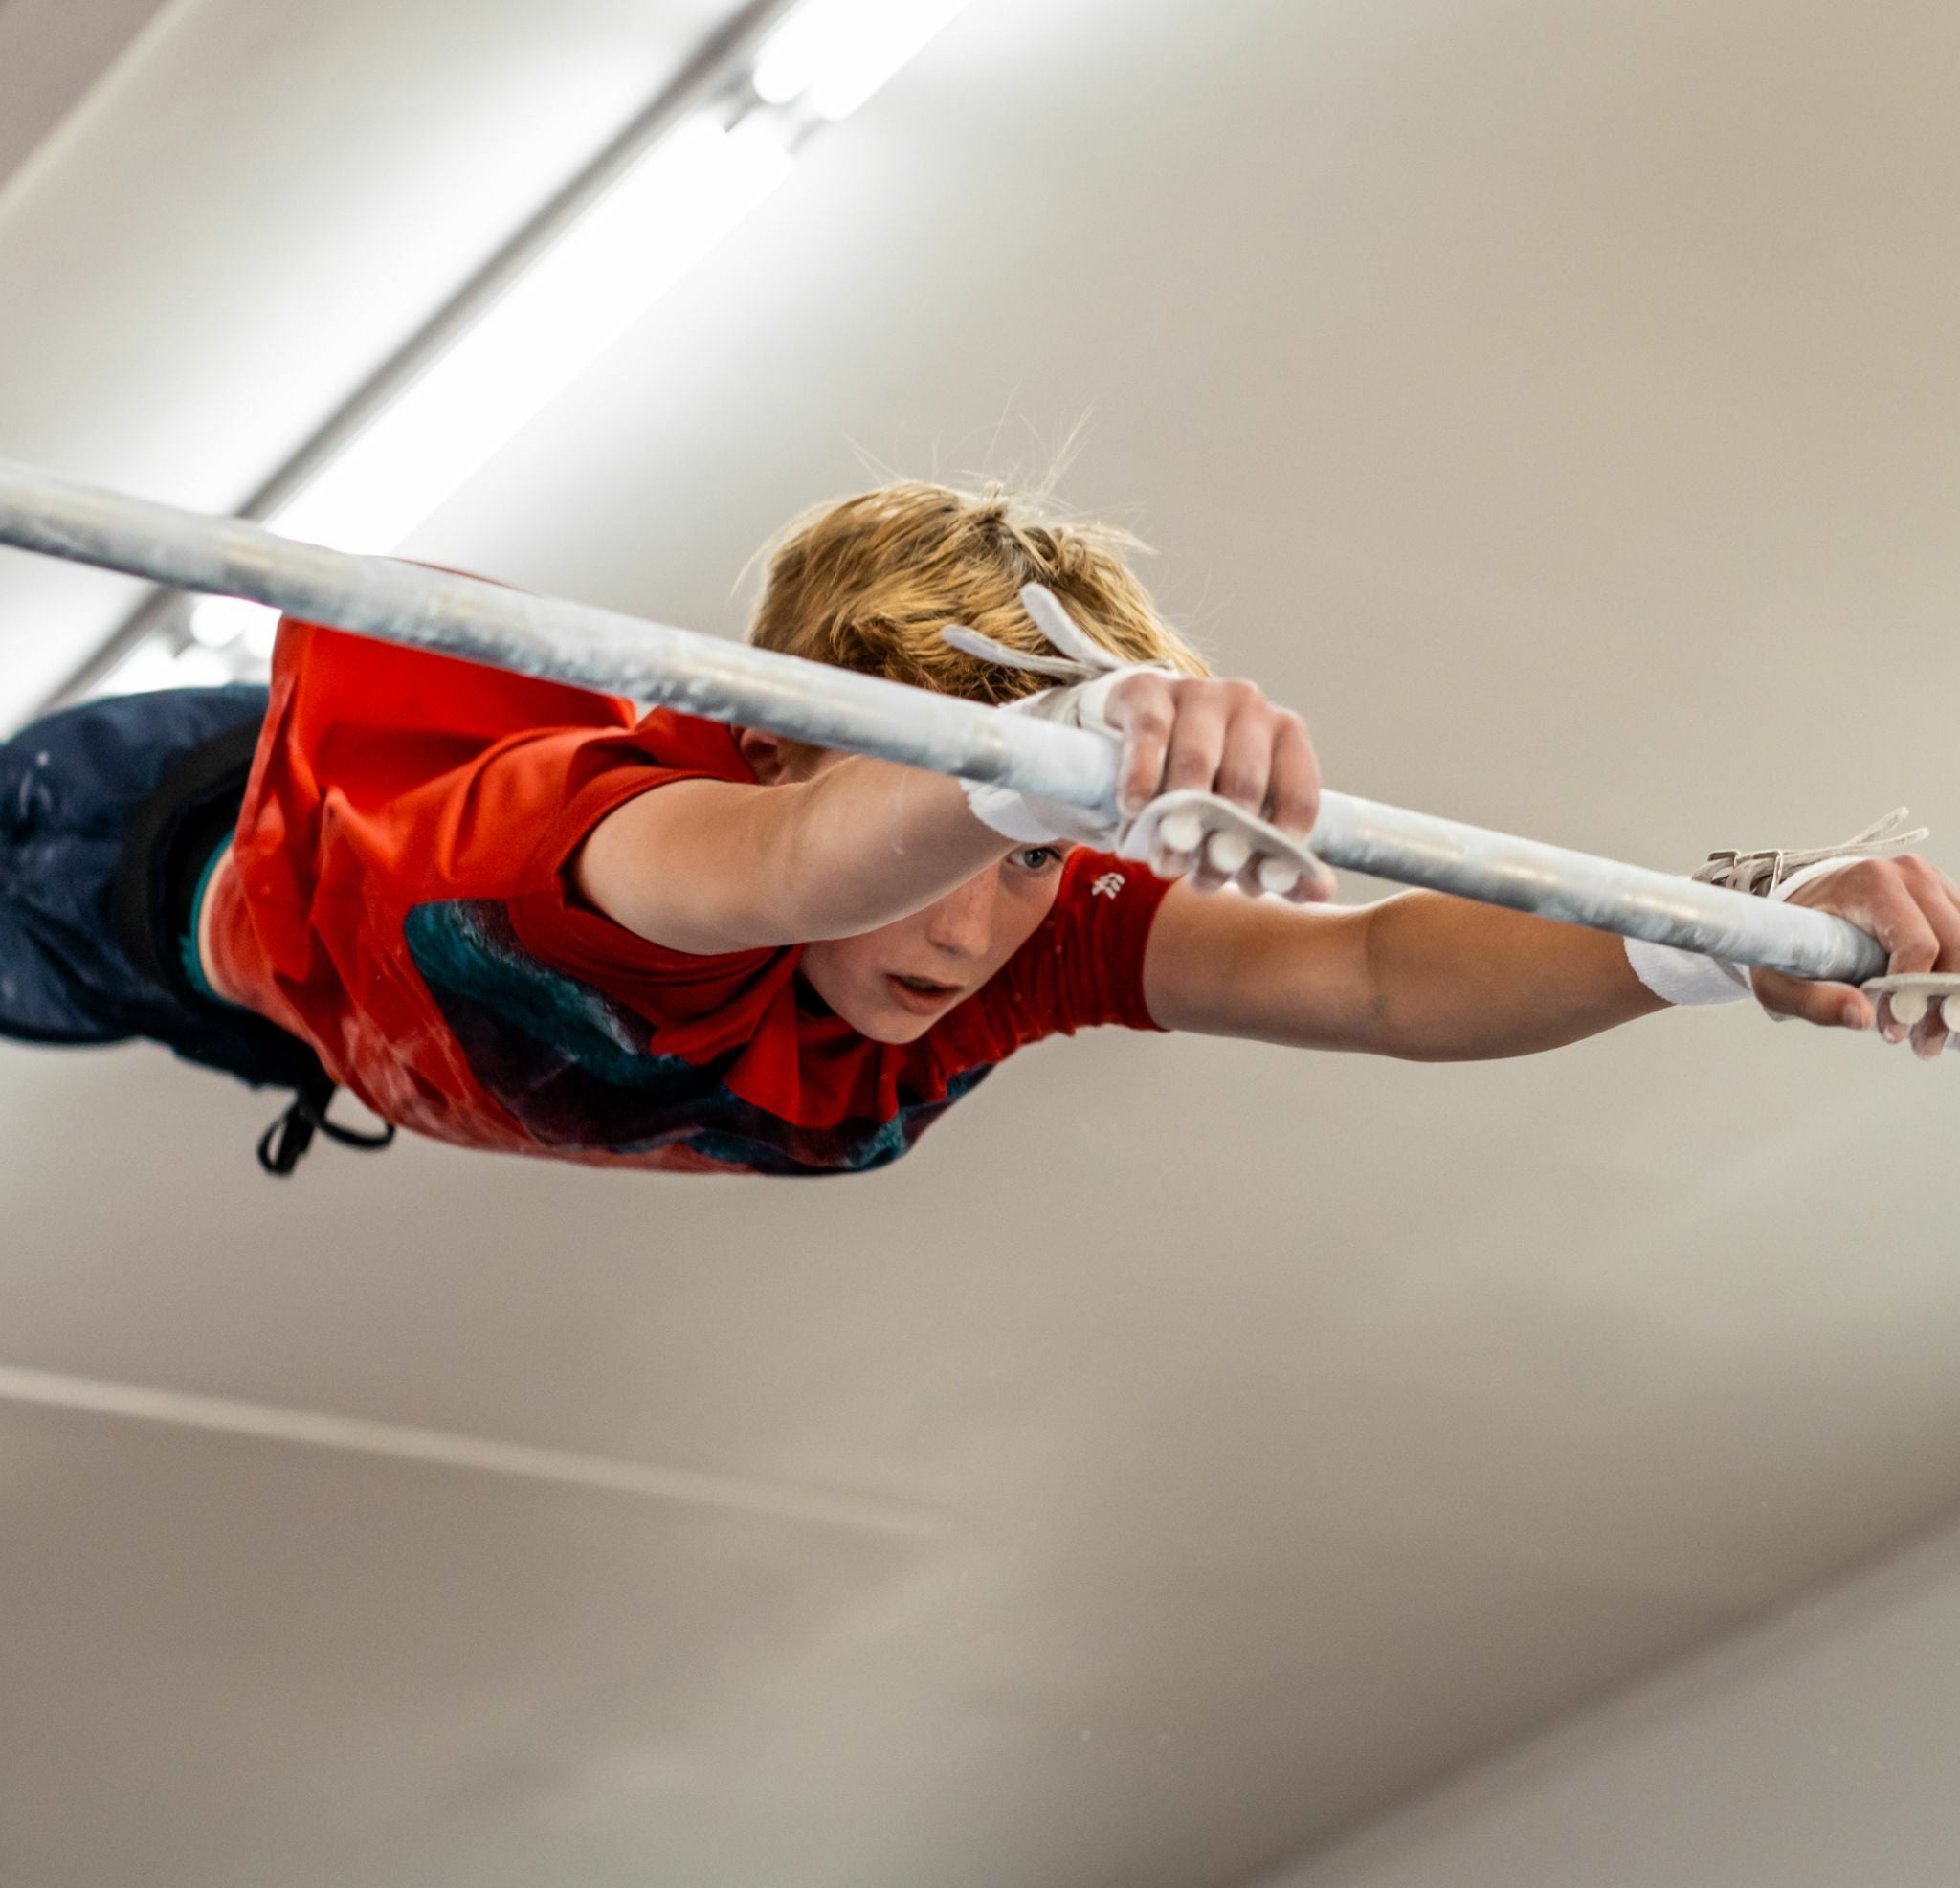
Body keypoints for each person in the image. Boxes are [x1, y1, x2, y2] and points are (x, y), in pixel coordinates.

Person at [2, 482, 1954, 1179]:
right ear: (773, 753)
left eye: (1032, 865)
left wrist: (1730, 929)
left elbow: (1370, 974)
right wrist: (1036, 765)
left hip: (267, 1019)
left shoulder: (1015, 949)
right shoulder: (624, 850)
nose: (973, 926)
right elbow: (791, 868)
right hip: (121, 846)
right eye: (979, 838)